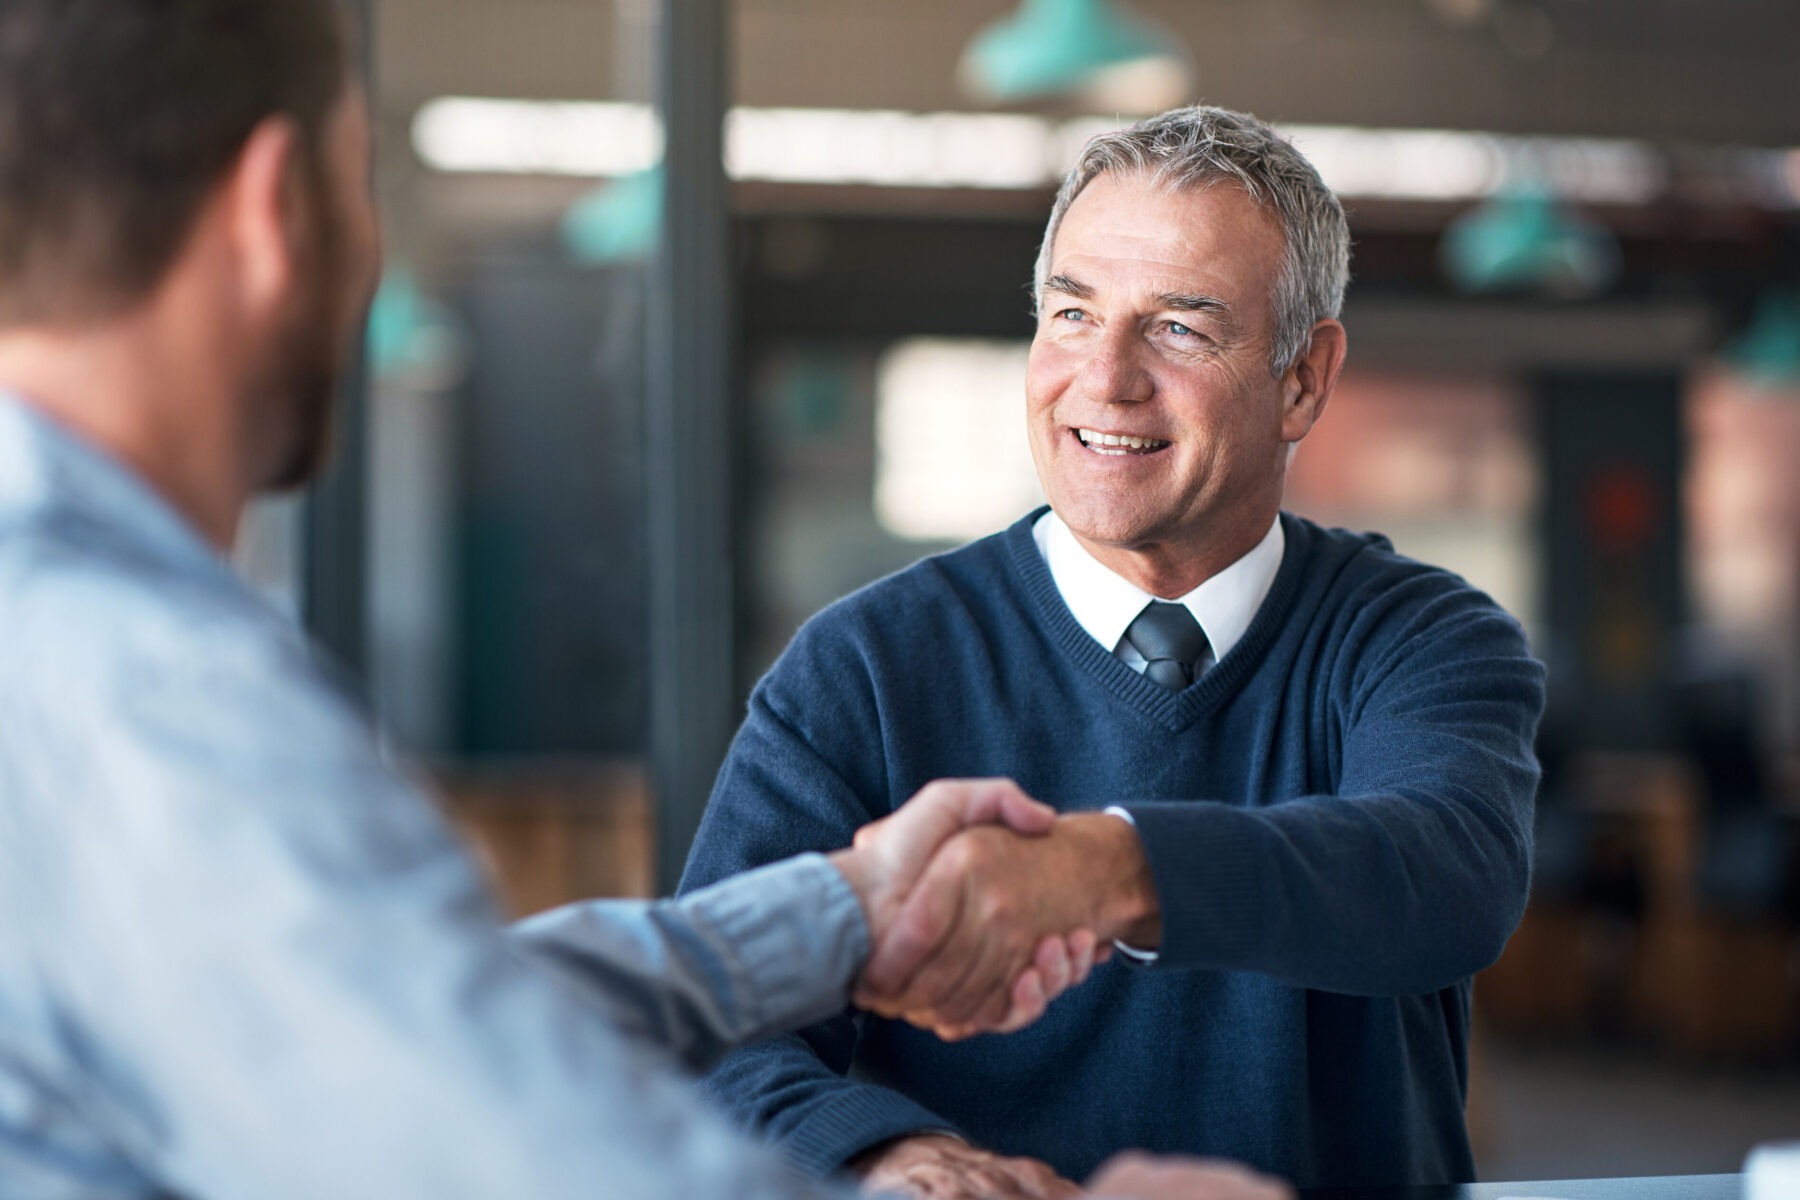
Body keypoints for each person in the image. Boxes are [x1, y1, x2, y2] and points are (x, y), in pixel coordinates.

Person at [0, 3, 1297, 1199]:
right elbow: (504, 1155)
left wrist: (840, 906)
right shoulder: (144, 685)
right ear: (275, 210)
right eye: (360, 183)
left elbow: (438, 1007)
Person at [680, 104, 1547, 1198]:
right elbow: (719, 1029)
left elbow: (1443, 875)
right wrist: (886, 1153)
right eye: (1073, 313)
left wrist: (1101, 870)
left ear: (1304, 380)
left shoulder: (1421, 640)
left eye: (1180, 327)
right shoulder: (865, 668)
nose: (1107, 378)